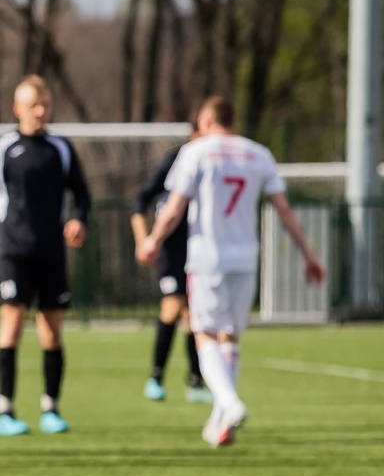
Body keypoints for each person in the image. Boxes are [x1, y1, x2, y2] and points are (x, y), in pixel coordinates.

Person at [138, 95, 324, 446]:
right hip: (245, 259)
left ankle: (229, 402)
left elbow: (175, 207)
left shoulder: (195, 152)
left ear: (205, 123)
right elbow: (283, 210)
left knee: (204, 333)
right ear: (233, 123)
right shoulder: (258, 154)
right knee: (230, 337)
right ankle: (220, 423)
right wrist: (308, 255)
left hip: (207, 258)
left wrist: (153, 239)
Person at [0, 75, 91, 436]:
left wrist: (78, 220)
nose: (40, 112)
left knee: (52, 332)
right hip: (14, 251)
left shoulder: (61, 148)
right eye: (33, 106)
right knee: (10, 326)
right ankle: (5, 409)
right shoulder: (4, 147)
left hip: (51, 252)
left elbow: (83, 197)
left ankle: (50, 408)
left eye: (45, 105)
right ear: (17, 109)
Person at [132, 126, 212, 404]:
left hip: (198, 248)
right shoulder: (173, 161)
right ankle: (155, 378)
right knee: (173, 304)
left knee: (194, 314)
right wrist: (144, 240)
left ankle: (195, 381)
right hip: (168, 247)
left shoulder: (216, 164)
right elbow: (139, 202)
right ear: (194, 134)